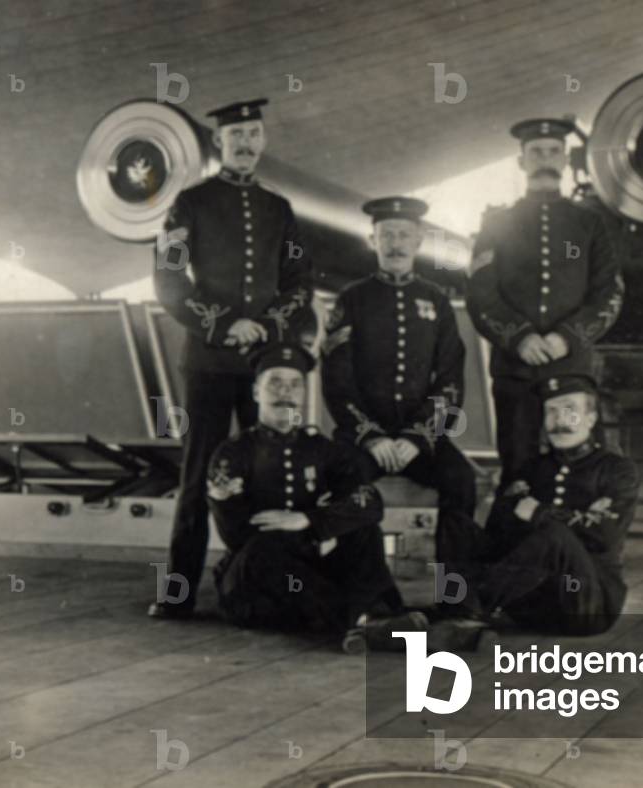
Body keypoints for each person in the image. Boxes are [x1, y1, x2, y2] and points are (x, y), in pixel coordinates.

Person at [149, 98, 314, 619]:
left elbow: (299, 284)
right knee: (198, 477)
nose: (245, 143)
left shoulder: (278, 209)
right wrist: (223, 325)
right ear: (219, 142)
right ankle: (177, 594)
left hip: (266, 366)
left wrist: (265, 327)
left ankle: (262, 588)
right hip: (209, 363)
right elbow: (169, 279)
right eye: (235, 134)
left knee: (269, 474)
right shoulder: (188, 205)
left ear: (263, 141)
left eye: (253, 134)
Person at [208, 343, 426, 653]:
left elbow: (369, 503)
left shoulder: (323, 449)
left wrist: (309, 520)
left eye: (295, 384)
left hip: (310, 576)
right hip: (258, 589)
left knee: (363, 530)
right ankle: (367, 621)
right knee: (262, 548)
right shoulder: (232, 453)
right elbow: (236, 536)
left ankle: (373, 620)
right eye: (275, 382)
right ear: (256, 392)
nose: (286, 391)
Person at [467, 117, 624, 485]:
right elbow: (479, 292)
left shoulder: (590, 224)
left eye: (553, 152)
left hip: (570, 370)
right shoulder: (497, 224)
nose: (545, 159)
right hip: (515, 372)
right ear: (521, 162)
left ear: (565, 160)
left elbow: (610, 293)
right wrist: (519, 337)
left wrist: (565, 337)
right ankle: (517, 541)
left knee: (577, 468)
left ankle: (575, 542)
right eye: (535, 152)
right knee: (518, 468)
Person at [321, 196, 475, 561]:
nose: (395, 244)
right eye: (386, 235)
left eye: (404, 235)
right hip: (363, 440)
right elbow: (336, 379)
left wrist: (418, 437)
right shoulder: (351, 299)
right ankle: (366, 597)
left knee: (462, 482)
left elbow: (451, 380)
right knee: (346, 483)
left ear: (419, 241)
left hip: (420, 439)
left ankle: (455, 600)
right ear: (372, 241)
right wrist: (371, 437)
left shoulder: (435, 300)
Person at [437, 374, 639, 636]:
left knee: (553, 536)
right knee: (456, 523)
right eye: (551, 412)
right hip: (533, 606)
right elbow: (497, 535)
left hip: (586, 605)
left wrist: (539, 512)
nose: (559, 421)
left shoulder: (617, 470)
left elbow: (606, 534)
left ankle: (465, 611)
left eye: (570, 411)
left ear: (591, 418)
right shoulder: (532, 469)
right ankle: (456, 607)